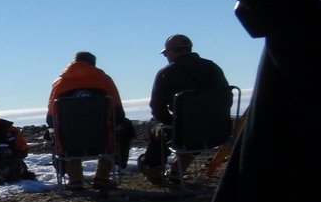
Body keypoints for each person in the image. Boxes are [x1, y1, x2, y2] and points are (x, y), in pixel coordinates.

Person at [138, 34, 230, 184]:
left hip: (184, 133)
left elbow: (157, 108)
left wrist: (172, 122)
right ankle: (176, 172)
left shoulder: (166, 73)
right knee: (194, 129)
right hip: (218, 130)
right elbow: (227, 98)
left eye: (166, 53)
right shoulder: (212, 68)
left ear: (172, 51)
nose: (166, 56)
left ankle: (153, 168)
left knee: (156, 125)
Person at [46, 51, 134, 191]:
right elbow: (118, 112)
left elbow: (50, 118)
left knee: (62, 133)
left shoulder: (60, 83)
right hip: (102, 136)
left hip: (69, 139)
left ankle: (75, 179)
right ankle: (102, 177)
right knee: (123, 129)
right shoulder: (104, 80)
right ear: (93, 64)